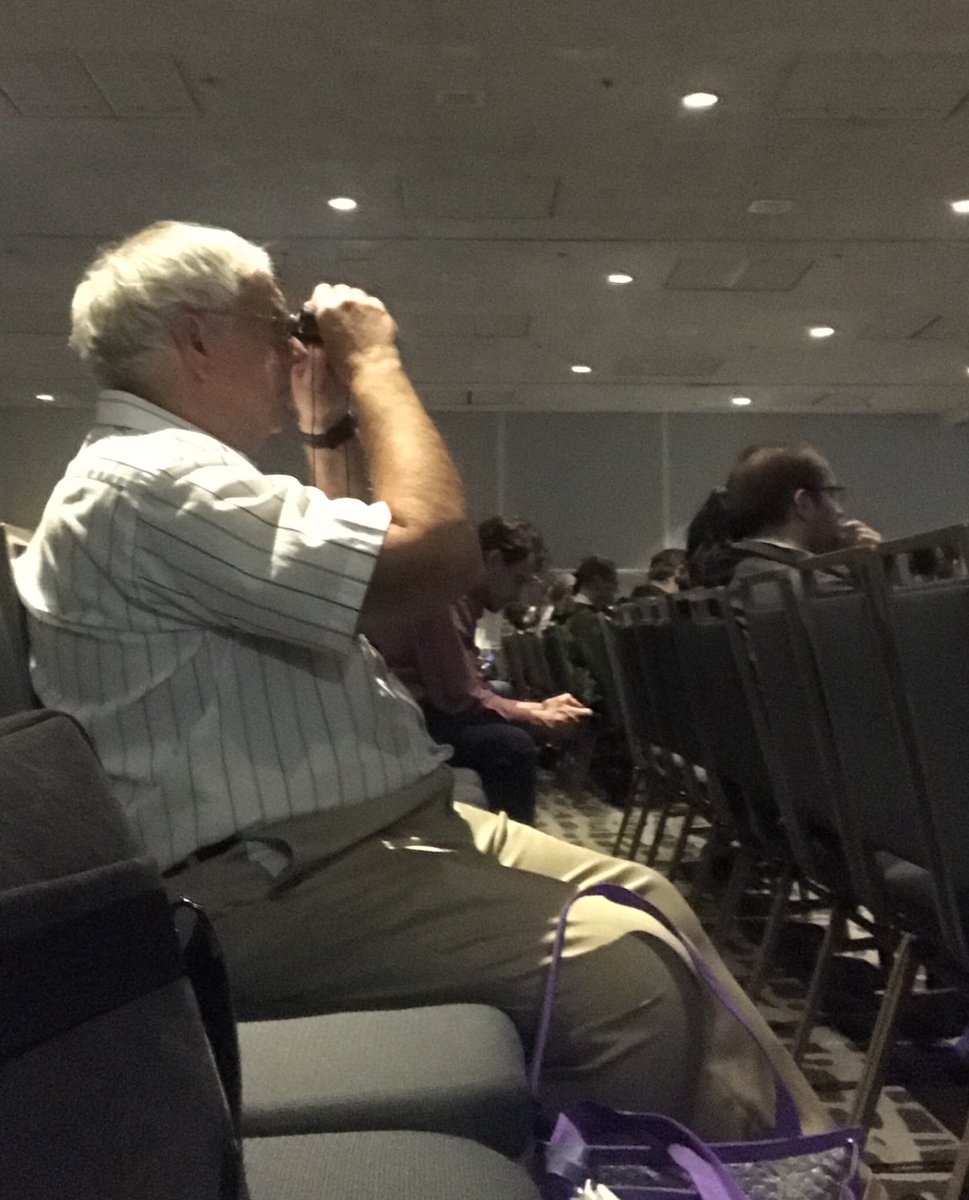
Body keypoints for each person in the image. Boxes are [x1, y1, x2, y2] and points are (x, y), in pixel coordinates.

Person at [16, 220, 830, 1139]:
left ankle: (786, 1169)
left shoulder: (171, 477)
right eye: (274, 321)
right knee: (622, 979)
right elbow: (435, 556)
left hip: (338, 843)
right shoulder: (145, 483)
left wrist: (327, 425)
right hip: (264, 882)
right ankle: (660, 1173)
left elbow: (362, 597)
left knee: (652, 900)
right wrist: (376, 364)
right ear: (197, 337)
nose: (294, 343)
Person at [372, 516, 591, 824]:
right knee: (512, 746)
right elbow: (459, 697)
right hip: (405, 721)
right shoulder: (446, 597)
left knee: (509, 723)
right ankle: (508, 856)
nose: (519, 594)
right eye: (519, 579)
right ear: (494, 560)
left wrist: (537, 709)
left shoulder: (455, 598)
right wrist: (537, 713)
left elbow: (463, 688)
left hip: (417, 711)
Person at [725, 442, 880, 584]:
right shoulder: (819, 590)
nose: (840, 511)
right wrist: (878, 566)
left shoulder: (735, 576)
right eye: (832, 495)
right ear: (803, 503)